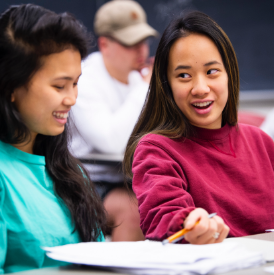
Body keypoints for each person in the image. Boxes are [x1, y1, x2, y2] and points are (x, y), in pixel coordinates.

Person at [123, 11, 274, 245]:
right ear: (167, 85)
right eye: (184, 75)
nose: (200, 88)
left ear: (229, 74)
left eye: (212, 71)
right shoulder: (156, 149)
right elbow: (162, 217)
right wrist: (189, 223)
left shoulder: (261, 142)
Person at [0, 4, 107, 273]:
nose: (72, 99)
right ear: (10, 86)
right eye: (59, 86)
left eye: (75, 83)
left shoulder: (68, 172)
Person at [70, 0, 158, 241]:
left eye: (144, 41)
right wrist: (144, 89)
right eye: (131, 43)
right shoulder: (84, 79)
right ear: (104, 44)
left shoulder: (138, 78)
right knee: (132, 209)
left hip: (128, 178)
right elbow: (112, 143)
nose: (141, 51)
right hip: (84, 180)